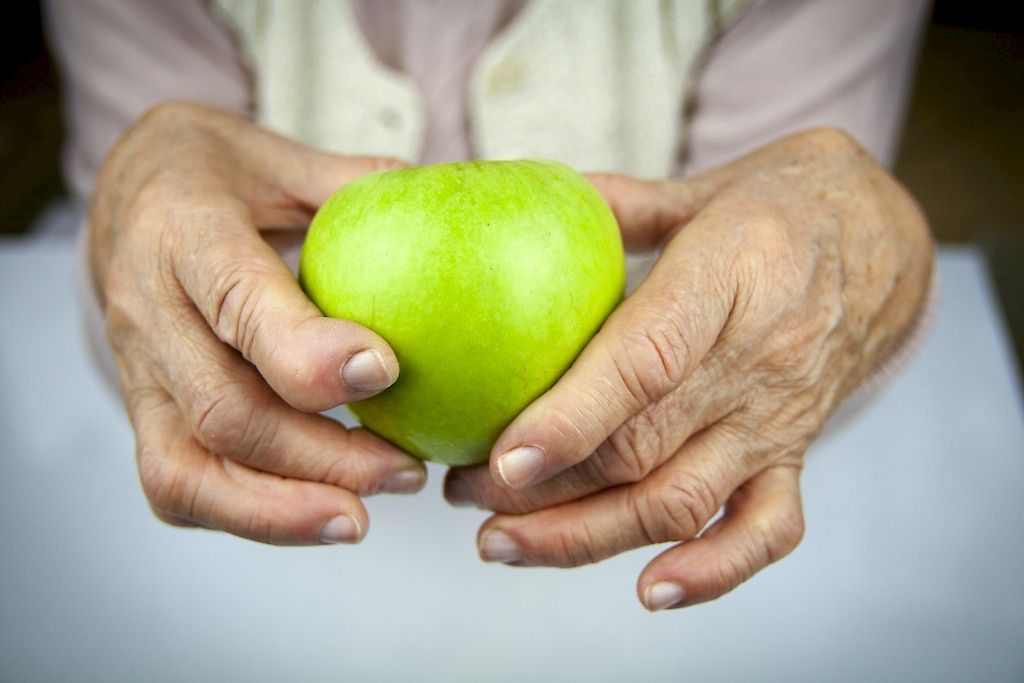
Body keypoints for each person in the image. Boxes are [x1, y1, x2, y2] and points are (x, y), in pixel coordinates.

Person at [45, 0, 935, 611]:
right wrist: (132, 214)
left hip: (650, 573)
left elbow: (792, 302)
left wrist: (859, 261)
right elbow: (145, 281)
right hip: (264, 582)